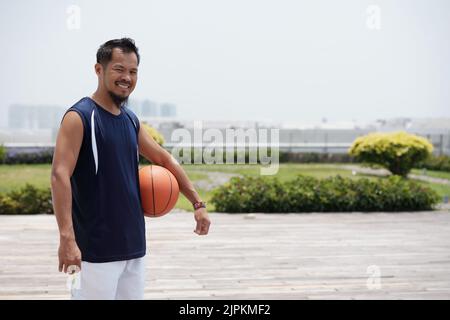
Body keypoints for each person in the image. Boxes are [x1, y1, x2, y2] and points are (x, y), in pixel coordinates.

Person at [50, 38, 211, 300]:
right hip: (94, 251)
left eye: (133, 71)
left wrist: (197, 203)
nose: (127, 77)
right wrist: (67, 238)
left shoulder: (130, 119)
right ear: (99, 70)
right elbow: (59, 176)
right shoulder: (79, 116)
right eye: (119, 69)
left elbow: (165, 160)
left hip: (134, 248)